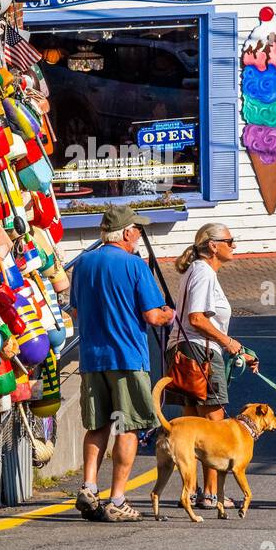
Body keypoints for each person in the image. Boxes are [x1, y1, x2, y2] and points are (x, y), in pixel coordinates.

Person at [70, 205, 175, 522]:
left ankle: (89, 486)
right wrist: (170, 313)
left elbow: (75, 311)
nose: (140, 235)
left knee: (97, 424)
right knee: (126, 428)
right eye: (138, 230)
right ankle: (117, 498)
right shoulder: (134, 265)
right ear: (127, 233)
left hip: (92, 357)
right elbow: (152, 315)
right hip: (127, 357)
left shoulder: (84, 263)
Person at [166, 222, 258, 512]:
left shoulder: (197, 272)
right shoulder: (204, 273)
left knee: (194, 425)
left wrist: (236, 348)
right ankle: (210, 494)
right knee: (216, 426)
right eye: (230, 241)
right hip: (200, 354)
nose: (234, 246)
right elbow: (196, 318)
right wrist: (229, 343)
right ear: (212, 245)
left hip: (185, 352)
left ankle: (192, 493)